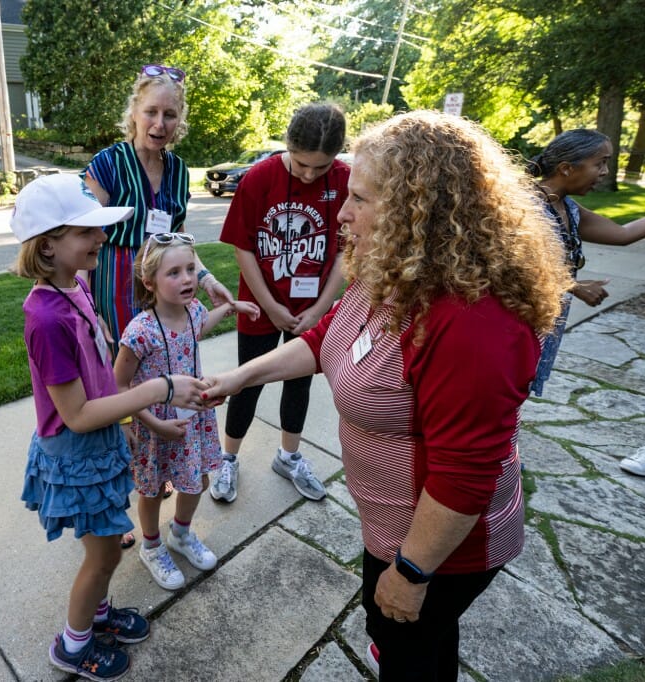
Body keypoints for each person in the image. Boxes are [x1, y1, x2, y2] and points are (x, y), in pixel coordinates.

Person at [203, 111, 573, 680]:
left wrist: (412, 572)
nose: (342, 214)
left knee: (414, 654)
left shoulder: (473, 321)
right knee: (386, 627)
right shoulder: (394, 269)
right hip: (391, 524)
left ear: (418, 208)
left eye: (361, 199)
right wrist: (239, 378)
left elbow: (466, 471)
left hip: (442, 548)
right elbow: (331, 337)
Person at [9, 173, 209, 680]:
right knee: (101, 558)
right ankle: (73, 646)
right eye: (86, 232)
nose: (101, 238)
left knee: (105, 550)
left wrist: (121, 416)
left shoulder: (73, 284)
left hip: (98, 442)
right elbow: (74, 414)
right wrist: (155, 390)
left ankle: (98, 615)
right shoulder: (47, 319)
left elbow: (96, 372)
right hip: (77, 453)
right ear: (48, 246)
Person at [83, 64, 233, 545]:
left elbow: (179, 241)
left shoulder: (179, 170)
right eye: (151, 111)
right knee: (114, 396)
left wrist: (205, 277)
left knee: (157, 393)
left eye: (170, 114)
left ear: (179, 119)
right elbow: (83, 235)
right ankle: (114, 510)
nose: (159, 123)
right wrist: (85, 306)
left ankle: (152, 485)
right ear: (134, 112)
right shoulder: (107, 164)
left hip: (160, 292)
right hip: (111, 291)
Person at [210, 103, 350, 504]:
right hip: (260, 307)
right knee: (248, 381)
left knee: (299, 382)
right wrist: (270, 306)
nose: (308, 174)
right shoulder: (259, 177)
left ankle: (288, 456)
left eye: (319, 168)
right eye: (302, 164)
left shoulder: (344, 180)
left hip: (311, 309)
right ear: (288, 146)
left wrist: (322, 308)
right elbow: (243, 247)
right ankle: (228, 458)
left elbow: (345, 251)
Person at [114, 232, 260, 590]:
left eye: (191, 270)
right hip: (155, 426)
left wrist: (229, 308)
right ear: (149, 282)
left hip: (193, 420)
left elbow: (200, 327)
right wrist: (148, 424)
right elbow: (119, 386)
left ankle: (180, 533)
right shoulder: (140, 331)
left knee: (197, 480)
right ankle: (151, 546)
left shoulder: (193, 311)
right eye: (175, 273)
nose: (188, 279)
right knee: (151, 490)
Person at [527, 129, 645, 396]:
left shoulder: (568, 208)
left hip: (542, 322)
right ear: (566, 168)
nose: (604, 172)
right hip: (510, 323)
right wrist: (573, 286)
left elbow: (623, 234)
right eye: (600, 163)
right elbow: (509, 264)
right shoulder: (523, 205)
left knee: (516, 397)